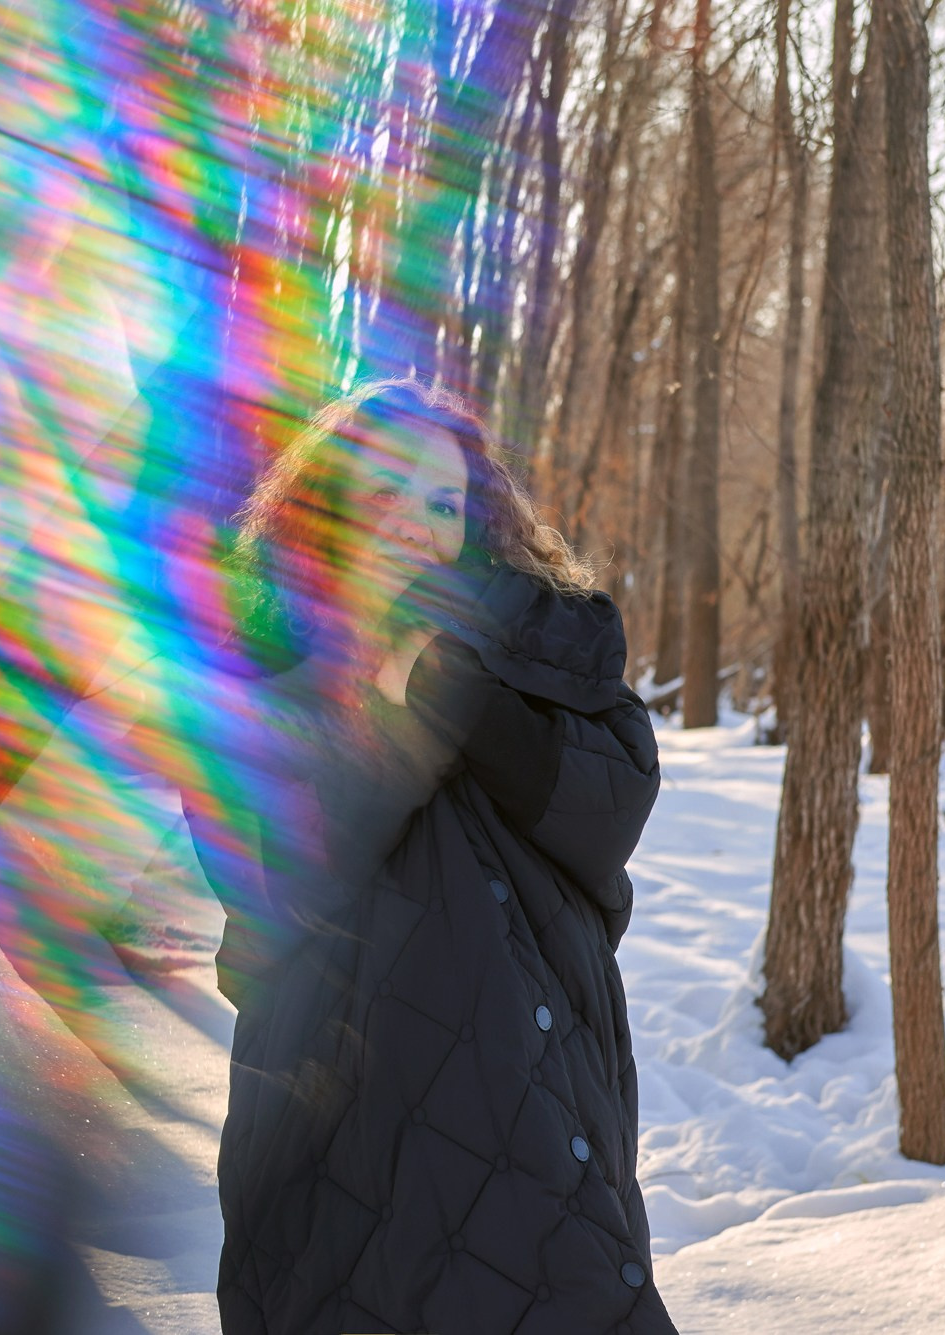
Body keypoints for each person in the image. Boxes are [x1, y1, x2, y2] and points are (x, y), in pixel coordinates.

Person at [179, 379, 677, 1334]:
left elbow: (608, 807)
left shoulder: (547, 650)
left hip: (548, 1101)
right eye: (383, 495)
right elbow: (280, 878)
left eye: (444, 502)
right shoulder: (260, 681)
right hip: (351, 1132)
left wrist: (454, 690)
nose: (416, 522)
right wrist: (379, 695)